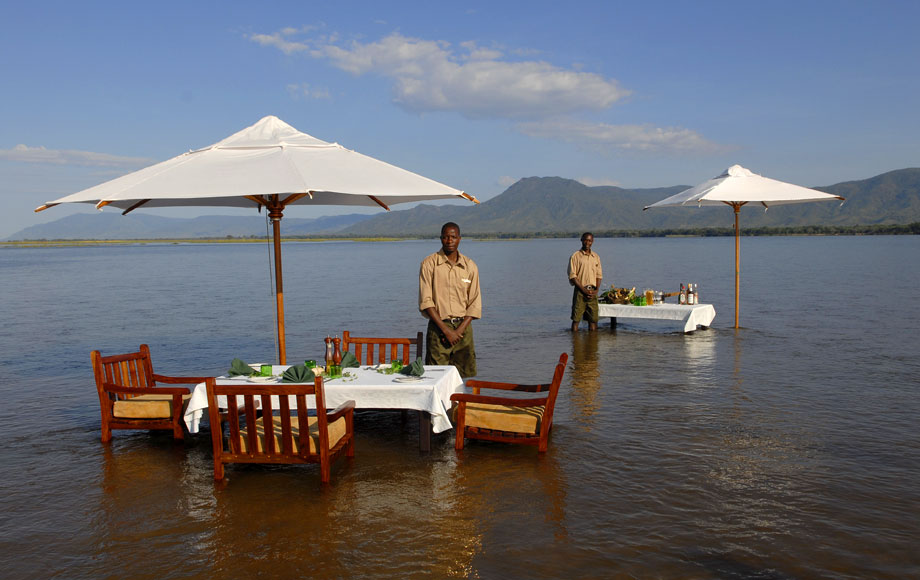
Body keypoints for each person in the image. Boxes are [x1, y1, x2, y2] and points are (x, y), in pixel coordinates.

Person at [418, 222, 481, 378]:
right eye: (446, 237)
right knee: (435, 376)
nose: (449, 241)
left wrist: (458, 332)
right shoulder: (429, 264)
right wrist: (446, 330)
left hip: (463, 329)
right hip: (439, 328)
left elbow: (474, 303)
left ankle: (458, 403)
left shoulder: (470, 266)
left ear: (459, 239)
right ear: (441, 239)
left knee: (462, 377)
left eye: (453, 237)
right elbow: (426, 301)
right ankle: (440, 403)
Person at [568, 232, 603, 331]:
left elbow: (599, 275)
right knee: (576, 319)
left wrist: (596, 290)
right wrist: (584, 290)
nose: (587, 242)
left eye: (590, 240)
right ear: (581, 240)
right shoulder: (575, 256)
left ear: (592, 242)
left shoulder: (596, 257)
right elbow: (573, 276)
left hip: (592, 291)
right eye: (585, 240)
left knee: (593, 320)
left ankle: (592, 344)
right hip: (580, 291)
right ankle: (575, 344)